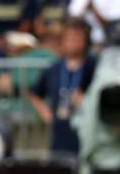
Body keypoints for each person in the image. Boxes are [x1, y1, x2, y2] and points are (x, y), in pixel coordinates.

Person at [28, 18, 95, 157]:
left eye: (77, 36)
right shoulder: (55, 68)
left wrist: (88, 100)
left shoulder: (94, 67)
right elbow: (34, 93)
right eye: (69, 36)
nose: (73, 40)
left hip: (86, 132)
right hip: (60, 131)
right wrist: (45, 112)